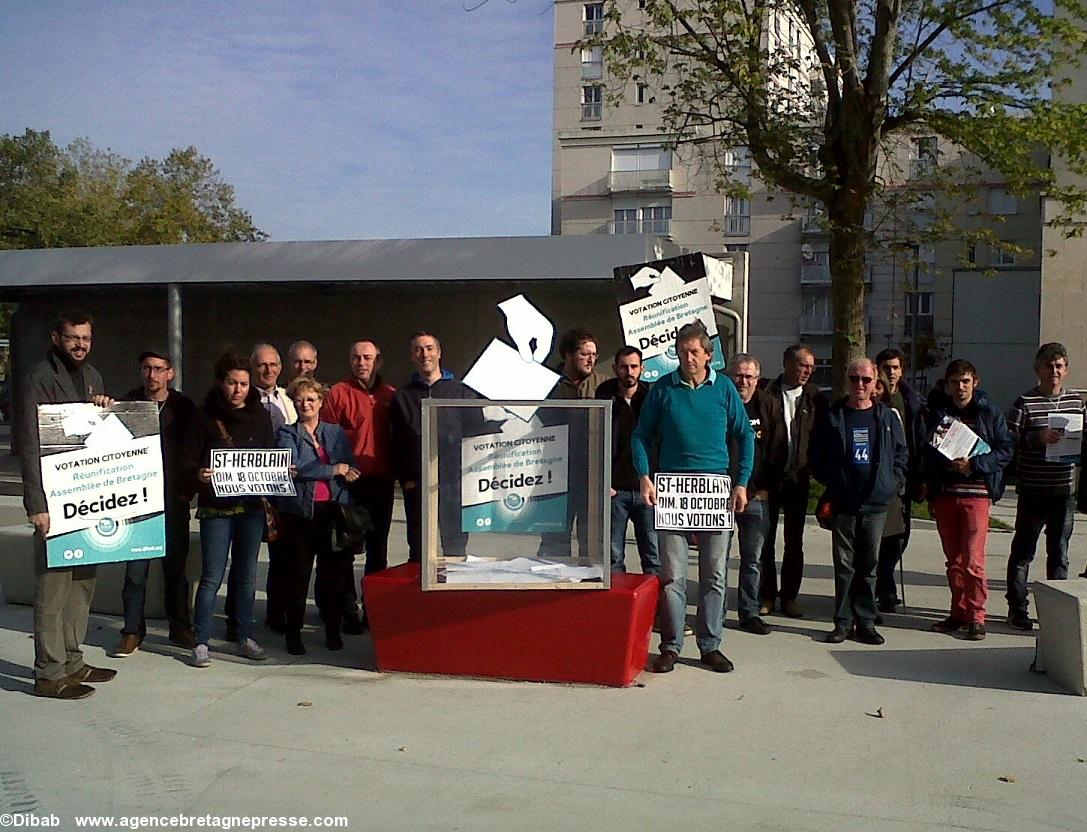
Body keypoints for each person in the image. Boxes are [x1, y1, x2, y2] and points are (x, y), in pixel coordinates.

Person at [634, 322, 754, 673]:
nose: (687, 358)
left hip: (715, 490)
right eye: (682, 351)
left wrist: (741, 482)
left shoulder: (725, 390)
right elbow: (641, 435)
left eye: (694, 352)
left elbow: (745, 435)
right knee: (672, 575)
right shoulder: (662, 389)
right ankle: (671, 645)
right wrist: (645, 477)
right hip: (672, 490)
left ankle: (710, 644)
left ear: (708, 355)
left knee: (715, 574)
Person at [19, 310, 117, 699]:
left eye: (86, 338)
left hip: (87, 499)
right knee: (53, 589)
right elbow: (29, 443)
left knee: (82, 584)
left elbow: (99, 435)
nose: (80, 344)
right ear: (56, 338)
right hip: (55, 500)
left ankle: (73, 661)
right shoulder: (40, 378)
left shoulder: (93, 376)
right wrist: (36, 503)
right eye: (73, 337)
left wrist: (105, 408)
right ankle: (49, 672)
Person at [183, 352, 277, 667]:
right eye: (232, 383)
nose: (238, 389)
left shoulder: (260, 415)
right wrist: (199, 473)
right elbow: (188, 458)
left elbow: (269, 454)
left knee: (247, 573)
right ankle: (201, 640)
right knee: (212, 575)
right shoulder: (204, 415)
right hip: (216, 508)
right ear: (221, 383)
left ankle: (243, 634)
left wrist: (280, 471)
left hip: (250, 506)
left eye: (244, 384)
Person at [810, 358, 908, 645]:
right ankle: (842, 621)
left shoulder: (887, 417)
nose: (860, 385)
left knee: (869, 565)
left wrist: (893, 483)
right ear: (848, 380)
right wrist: (831, 482)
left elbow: (901, 455)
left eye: (866, 380)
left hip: (877, 503)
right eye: (855, 379)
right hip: (844, 502)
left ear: (875, 382)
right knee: (844, 566)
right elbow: (817, 454)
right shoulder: (833, 416)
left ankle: (866, 621)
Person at [113, 348, 199, 657]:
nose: (153, 375)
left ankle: (180, 627)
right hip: (136, 503)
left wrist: (187, 489)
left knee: (175, 570)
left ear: (170, 373)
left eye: (159, 369)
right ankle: (132, 631)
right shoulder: (126, 405)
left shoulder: (185, 408)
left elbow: (194, 452)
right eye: (147, 368)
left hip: (173, 501)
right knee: (135, 572)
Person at [922, 360, 1013, 640]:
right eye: (954, 382)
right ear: (947, 385)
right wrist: (941, 465)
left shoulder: (990, 413)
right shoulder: (939, 414)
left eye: (965, 381)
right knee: (954, 562)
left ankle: (977, 615)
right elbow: (928, 454)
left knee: (974, 561)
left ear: (975, 382)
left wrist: (974, 464)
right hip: (946, 495)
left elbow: (1006, 451)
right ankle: (958, 611)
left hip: (977, 495)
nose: (960, 387)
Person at [1005, 342, 1086, 630]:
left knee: (1060, 555)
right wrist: (1036, 439)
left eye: (1059, 366)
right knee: (1023, 553)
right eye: (1048, 366)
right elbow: (1007, 442)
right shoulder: (1024, 402)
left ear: (1065, 370)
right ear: (1037, 369)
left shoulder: (1076, 402)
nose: (1054, 371)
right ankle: (1017, 608)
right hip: (1032, 490)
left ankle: (1055, 616)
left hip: (1063, 491)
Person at [277, 377, 359, 654]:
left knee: (333, 576)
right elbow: (295, 468)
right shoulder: (287, 433)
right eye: (300, 400)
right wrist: (332, 470)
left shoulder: (335, 433)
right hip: (301, 514)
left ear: (321, 402)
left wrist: (350, 471)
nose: (306, 404)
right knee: (298, 576)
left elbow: (351, 464)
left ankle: (333, 630)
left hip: (332, 511)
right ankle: (293, 633)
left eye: (311, 399)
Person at [320, 340, 397, 630]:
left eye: (367, 358)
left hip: (382, 483)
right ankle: (348, 608)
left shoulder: (391, 395)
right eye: (355, 358)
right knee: (347, 550)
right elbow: (326, 439)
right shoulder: (339, 394)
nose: (361, 362)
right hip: (349, 486)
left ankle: (373, 608)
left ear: (378, 362)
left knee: (378, 550)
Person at [390, 332, 477, 562]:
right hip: (418, 483)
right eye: (419, 350)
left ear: (439, 352)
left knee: (455, 544)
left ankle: (453, 594)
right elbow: (396, 442)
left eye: (429, 348)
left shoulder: (461, 392)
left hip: (453, 481)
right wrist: (406, 479)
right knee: (419, 547)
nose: (424, 354)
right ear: (412, 356)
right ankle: (420, 597)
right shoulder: (403, 396)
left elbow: (475, 434)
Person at [760, 343, 827, 618]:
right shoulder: (767, 393)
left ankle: (789, 597)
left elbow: (823, 438)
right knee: (765, 541)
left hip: (798, 479)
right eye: (803, 365)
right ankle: (766, 596)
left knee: (794, 541)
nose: (808, 371)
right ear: (787, 363)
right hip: (769, 478)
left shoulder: (816, 398)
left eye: (811, 367)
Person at [728, 353, 787, 635]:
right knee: (715, 561)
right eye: (739, 375)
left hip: (757, 496)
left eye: (749, 376)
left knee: (753, 559)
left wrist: (765, 489)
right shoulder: (721, 402)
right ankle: (711, 613)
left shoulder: (768, 405)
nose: (744, 381)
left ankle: (749, 612)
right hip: (721, 496)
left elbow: (778, 451)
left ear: (758, 378)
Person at [873, 348, 927, 613]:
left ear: (901, 370)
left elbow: (919, 439)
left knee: (900, 536)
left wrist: (920, 475)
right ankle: (884, 587)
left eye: (895, 367)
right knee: (880, 535)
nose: (890, 372)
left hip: (905, 476)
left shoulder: (912, 400)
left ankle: (885, 579)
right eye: (886, 367)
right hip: (877, 478)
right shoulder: (873, 399)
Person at [596, 347, 658, 575]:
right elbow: (596, 438)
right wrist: (604, 481)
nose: (629, 372)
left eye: (634, 366)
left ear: (642, 368)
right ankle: (617, 608)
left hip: (647, 491)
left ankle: (655, 608)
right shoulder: (604, 395)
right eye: (624, 367)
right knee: (613, 558)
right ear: (615, 369)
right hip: (615, 491)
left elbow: (660, 441)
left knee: (653, 556)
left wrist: (656, 480)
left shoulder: (651, 398)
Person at [248, 343, 296, 633]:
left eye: (274, 365)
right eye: (263, 365)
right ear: (254, 368)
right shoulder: (244, 397)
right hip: (253, 486)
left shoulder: (289, 399)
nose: (269, 370)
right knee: (247, 555)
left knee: (282, 554)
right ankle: (239, 617)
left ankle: (278, 611)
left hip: (284, 487)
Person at [551, 328, 604, 399]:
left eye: (594, 355)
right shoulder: (549, 382)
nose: (591, 360)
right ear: (569, 354)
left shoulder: (604, 384)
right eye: (585, 354)